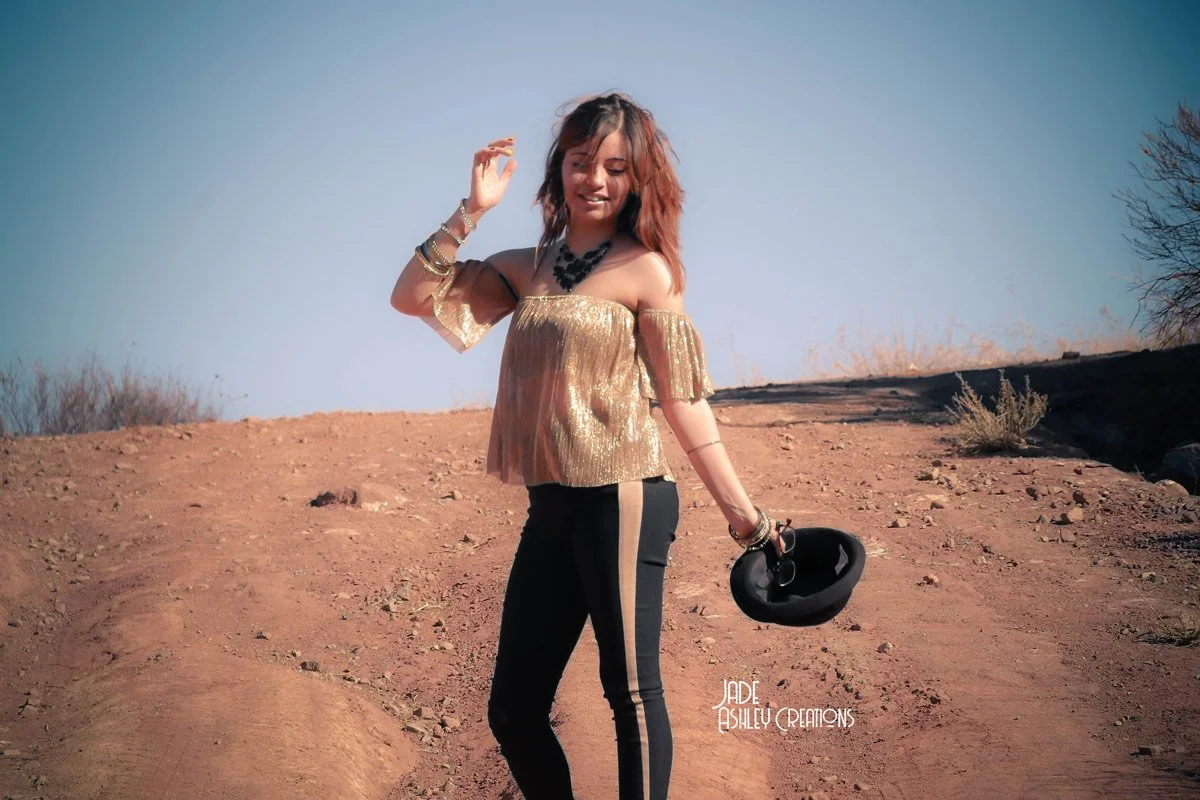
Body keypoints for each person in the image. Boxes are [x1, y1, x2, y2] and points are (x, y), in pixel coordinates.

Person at [390, 92, 790, 800]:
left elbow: (682, 401)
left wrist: (744, 514)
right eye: (581, 162)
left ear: (636, 180)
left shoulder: (649, 271)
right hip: (551, 507)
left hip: (627, 496)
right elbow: (413, 297)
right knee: (512, 711)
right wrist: (471, 210)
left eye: (615, 166)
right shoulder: (527, 268)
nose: (596, 180)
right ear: (559, 170)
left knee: (630, 693)